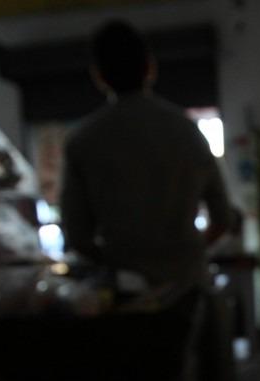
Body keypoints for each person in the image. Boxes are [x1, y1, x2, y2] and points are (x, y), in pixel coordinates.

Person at [58, 19, 234, 295]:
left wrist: (115, 261)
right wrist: (191, 253)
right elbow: (223, 218)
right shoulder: (188, 132)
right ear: (150, 68)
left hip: (125, 296)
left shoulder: (83, 142)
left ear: (98, 76)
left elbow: (77, 237)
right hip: (189, 291)